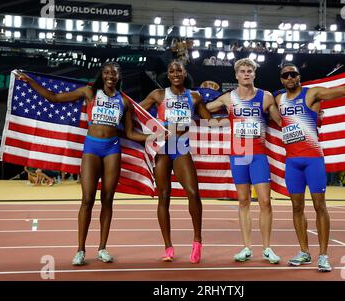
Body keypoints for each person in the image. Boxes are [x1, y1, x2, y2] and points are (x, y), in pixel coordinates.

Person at [15, 62, 150, 266]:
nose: (110, 75)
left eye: (114, 72)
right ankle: (80, 250)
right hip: (91, 149)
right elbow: (54, 97)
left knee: (107, 199)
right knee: (87, 200)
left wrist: (155, 136)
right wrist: (31, 81)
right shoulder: (89, 93)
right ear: (102, 75)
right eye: (106, 72)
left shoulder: (125, 101)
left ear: (119, 76)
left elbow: (130, 133)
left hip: (112, 149)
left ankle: (102, 248)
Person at [272, 62, 345, 272]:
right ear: (281, 79)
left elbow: (344, 90)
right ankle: (304, 252)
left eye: (292, 74)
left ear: (298, 76)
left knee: (319, 206)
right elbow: (267, 112)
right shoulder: (278, 99)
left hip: (313, 159)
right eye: (285, 75)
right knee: (296, 208)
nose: (289, 78)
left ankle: (323, 255)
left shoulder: (312, 93)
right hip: (292, 162)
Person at [206, 58, 282, 264]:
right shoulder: (228, 99)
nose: (246, 74)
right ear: (236, 75)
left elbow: (281, 121)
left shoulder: (265, 97)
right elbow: (202, 110)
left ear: (254, 74)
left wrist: (312, 114)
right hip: (238, 154)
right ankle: (247, 247)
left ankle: (267, 248)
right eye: (242, 71)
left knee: (265, 202)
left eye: (250, 70)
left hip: (258, 154)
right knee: (243, 201)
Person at [139, 60, 212, 263]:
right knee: (164, 196)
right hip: (162, 148)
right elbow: (135, 111)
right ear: (168, 75)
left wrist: (225, 108)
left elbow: (210, 120)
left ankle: (197, 241)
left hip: (181, 147)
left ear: (184, 72)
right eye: (171, 71)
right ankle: (168, 247)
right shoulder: (158, 95)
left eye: (178, 70)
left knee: (193, 192)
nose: (175, 73)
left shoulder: (194, 96)